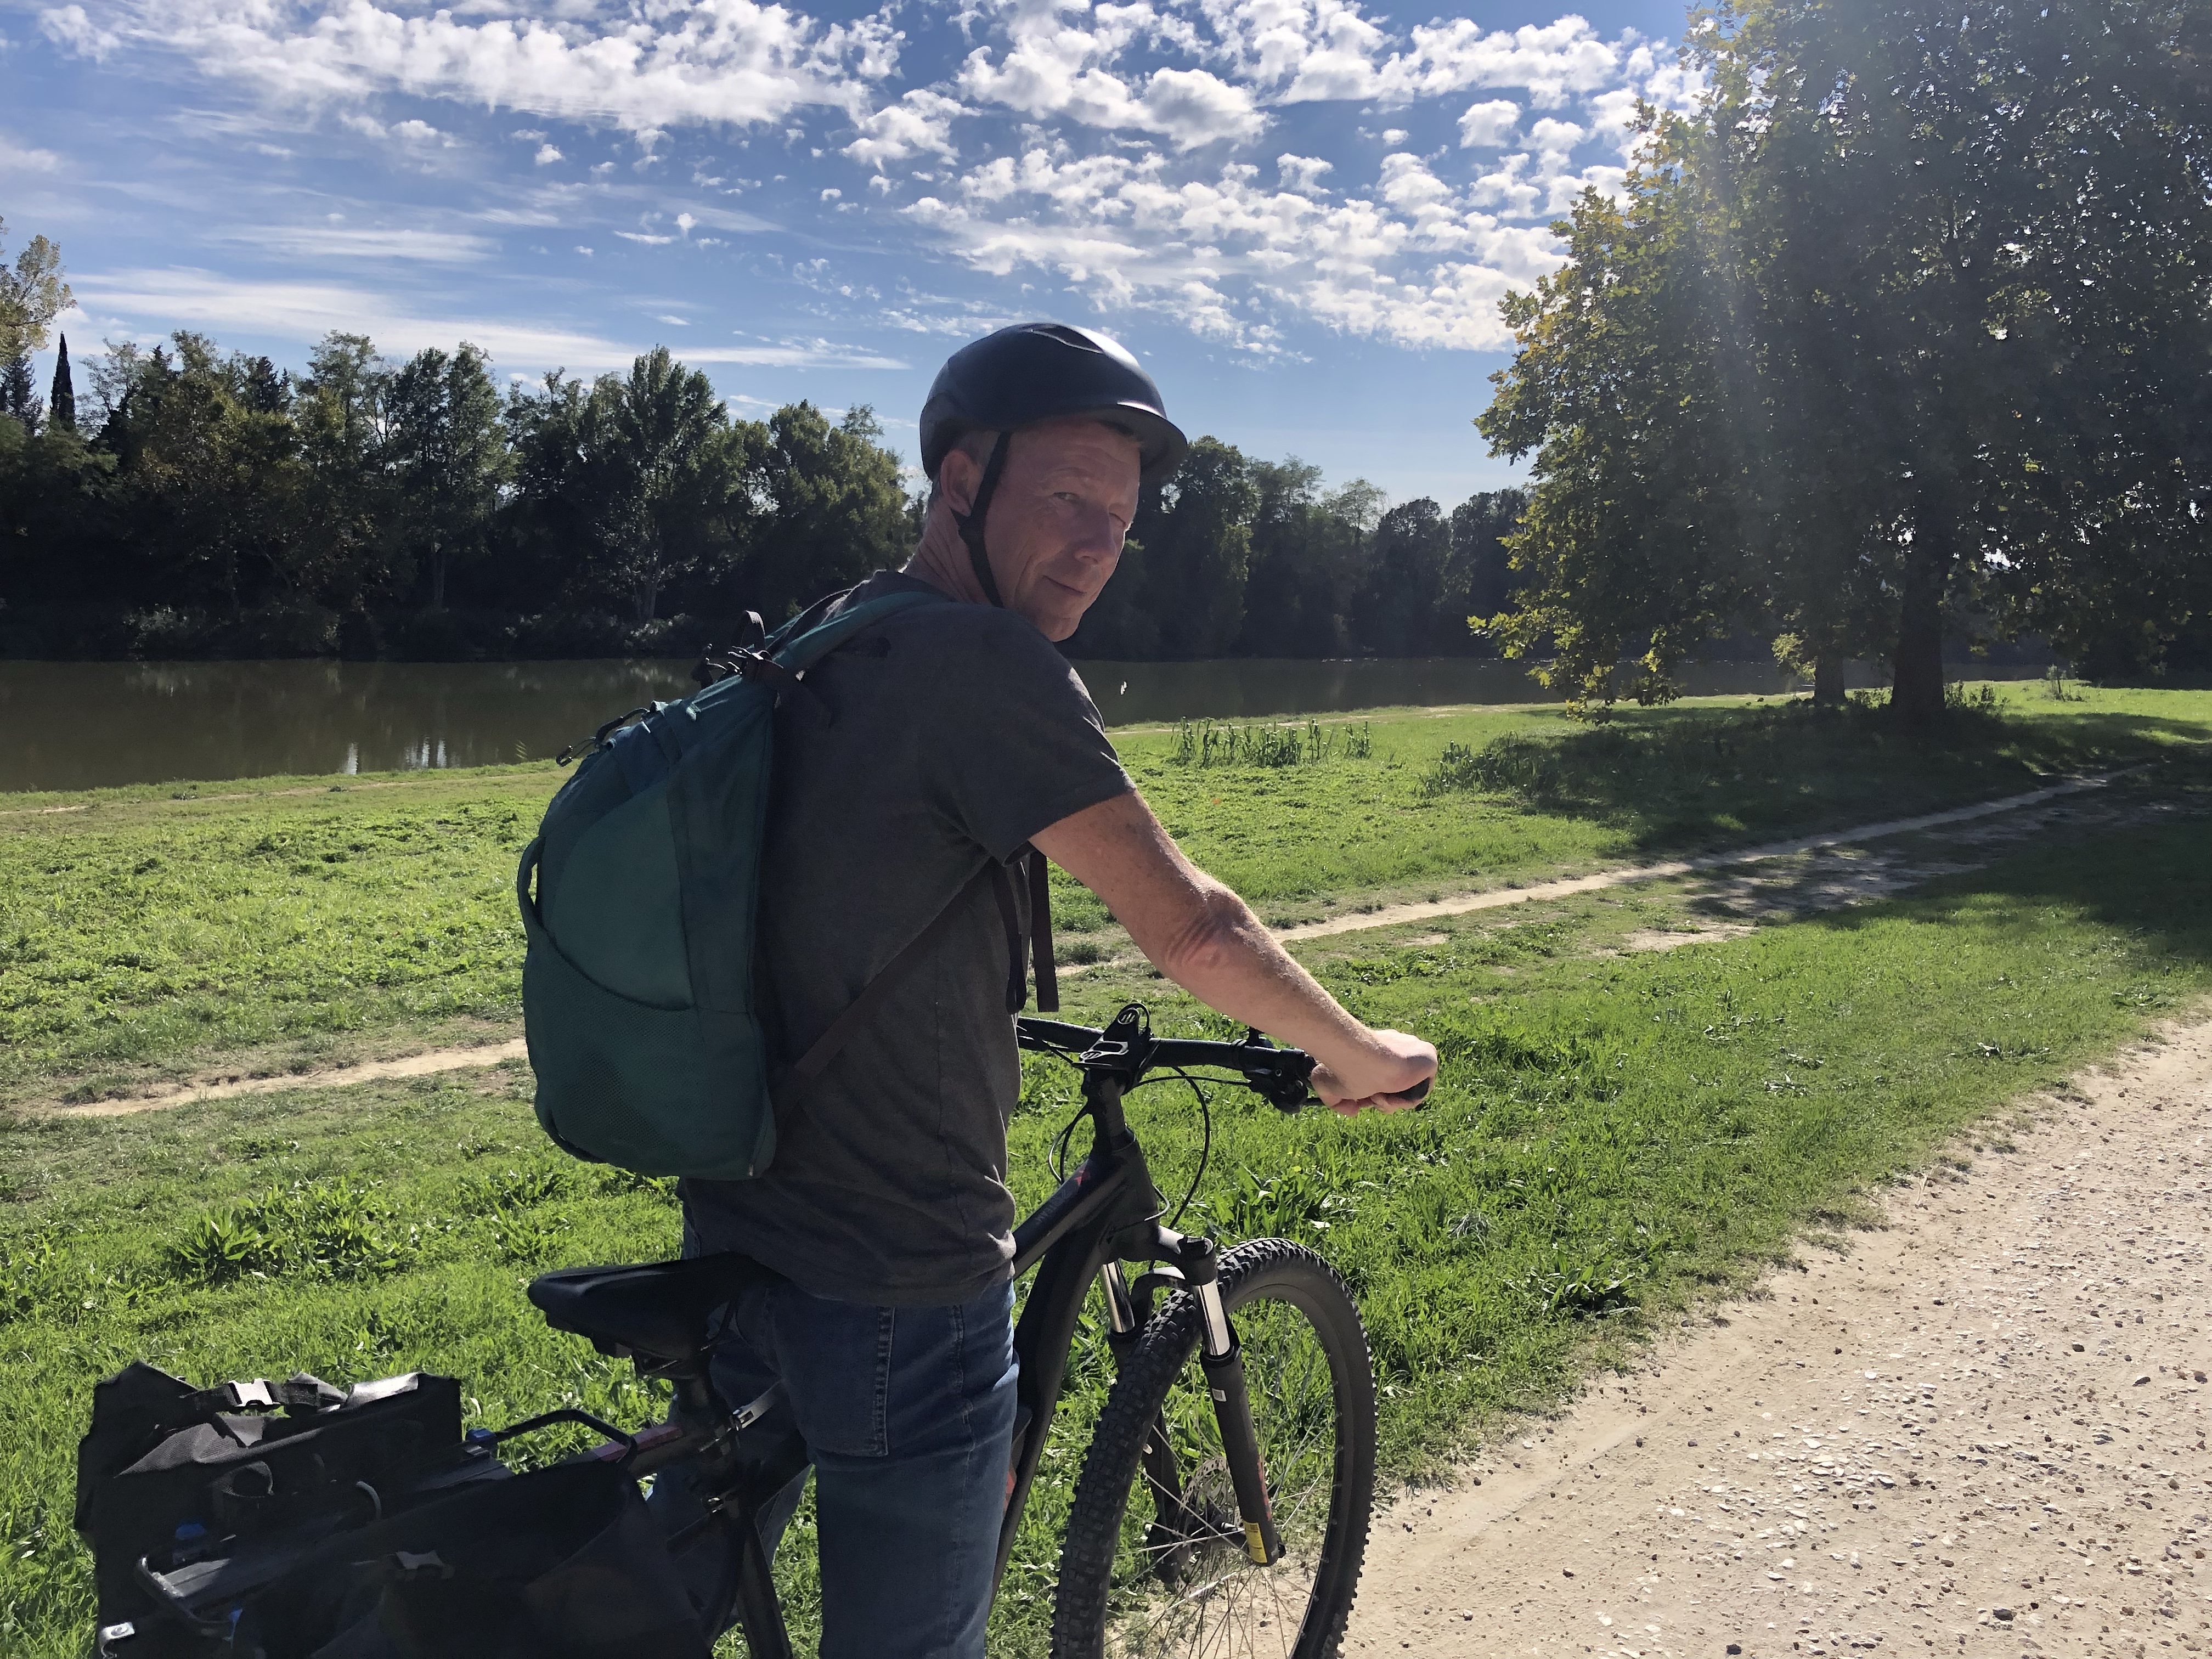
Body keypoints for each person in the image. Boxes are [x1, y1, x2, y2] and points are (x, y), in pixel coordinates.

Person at [655, 321, 1437, 1658]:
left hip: (734, 1225)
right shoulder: (984, 662)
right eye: (1070, 498)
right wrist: (1361, 1052)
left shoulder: (829, 635)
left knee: (669, 1601)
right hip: (899, 1271)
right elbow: (1195, 929)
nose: (1096, 546)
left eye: (1120, 521)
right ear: (962, 480)